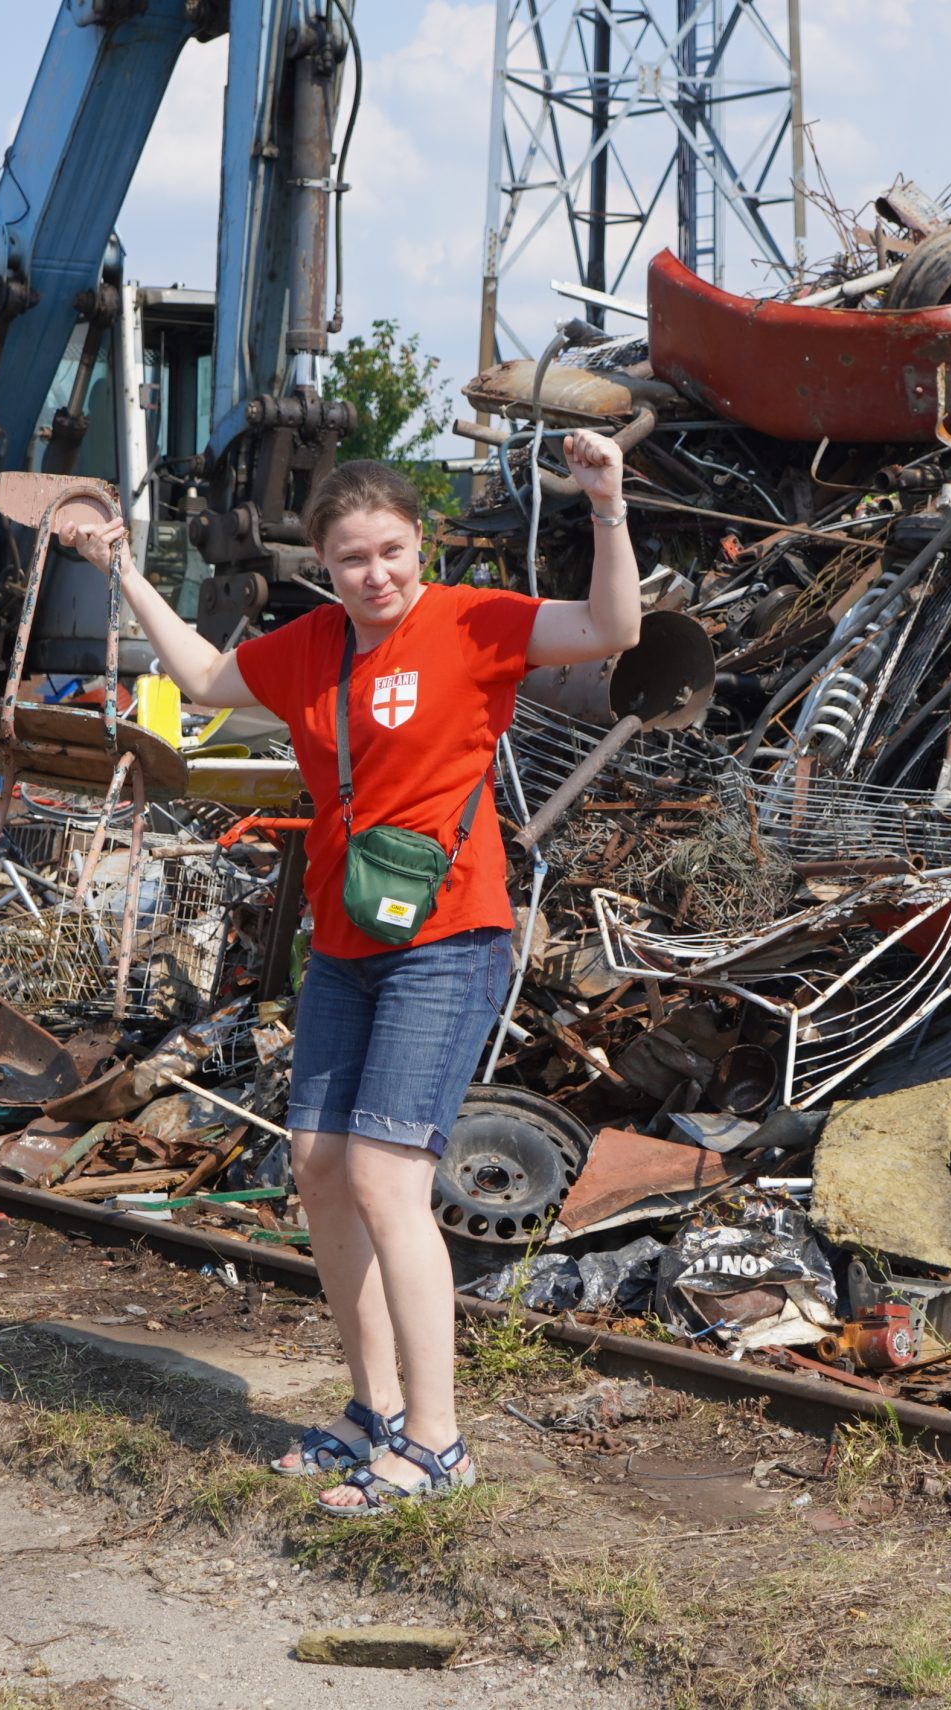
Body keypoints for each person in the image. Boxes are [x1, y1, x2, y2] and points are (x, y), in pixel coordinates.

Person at [59, 435, 640, 1512]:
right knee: (320, 1169)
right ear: (322, 567)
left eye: (390, 552)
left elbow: (611, 629)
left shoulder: (474, 621)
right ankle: (372, 1411)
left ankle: (439, 1443)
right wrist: (124, 570)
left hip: (448, 937)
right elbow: (201, 680)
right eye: (351, 560)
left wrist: (605, 504)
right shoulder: (314, 643)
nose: (375, 575)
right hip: (342, 944)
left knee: (385, 1178)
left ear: (419, 546)